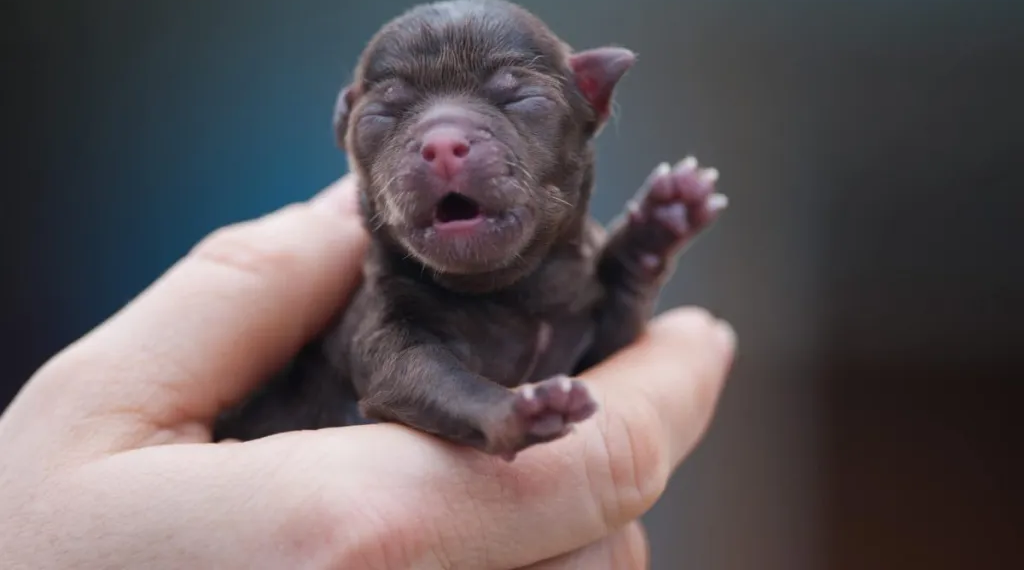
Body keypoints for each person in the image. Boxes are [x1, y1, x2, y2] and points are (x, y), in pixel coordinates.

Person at [0, 174, 735, 569]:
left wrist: (634, 266)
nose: (445, 145)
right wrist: (500, 416)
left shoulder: (570, 271)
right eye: (393, 109)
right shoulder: (383, 291)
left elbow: (592, 339)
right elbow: (398, 369)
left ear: (589, 105)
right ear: (355, 136)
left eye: (519, 98)